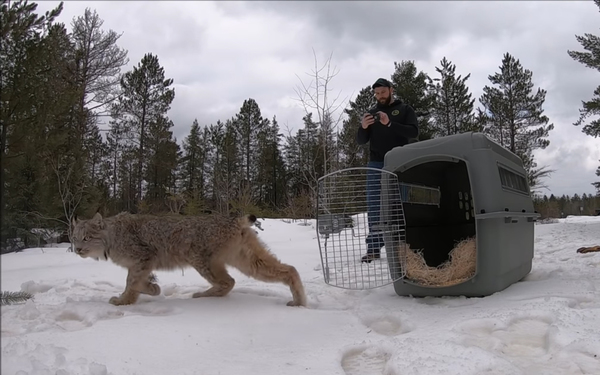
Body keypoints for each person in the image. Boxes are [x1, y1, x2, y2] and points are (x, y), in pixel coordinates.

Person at [356, 78, 419, 263]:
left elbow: (413, 132)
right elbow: (361, 140)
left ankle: (405, 247)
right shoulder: (372, 113)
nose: (380, 96)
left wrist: (390, 123)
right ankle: (374, 248)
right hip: (376, 163)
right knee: (374, 206)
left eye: (383, 92)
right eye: (376, 93)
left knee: (401, 205)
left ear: (391, 90)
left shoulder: (405, 110)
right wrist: (363, 127)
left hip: (400, 162)